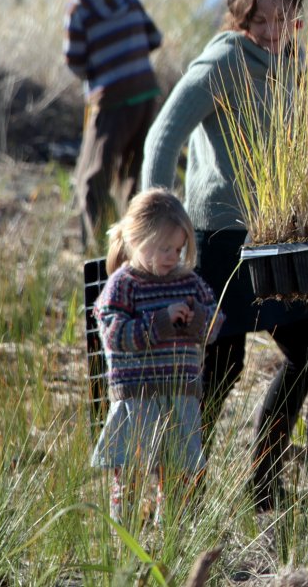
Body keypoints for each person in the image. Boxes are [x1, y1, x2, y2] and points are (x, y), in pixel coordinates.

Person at [141, 0, 308, 511]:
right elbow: (162, 138)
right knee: (222, 366)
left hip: (274, 235)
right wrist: (156, 226)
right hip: (223, 237)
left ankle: (263, 482)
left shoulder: (290, 62)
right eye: (261, 18)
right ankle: (179, 492)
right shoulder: (224, 59)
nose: (272, 30)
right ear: (242, 13)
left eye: (284, 17)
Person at [90, 188, 221, 524]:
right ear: (137, 239)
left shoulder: (189, 282)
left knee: (177, 472)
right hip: (138, 398)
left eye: (178, 249)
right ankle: (125, 541)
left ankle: (171, 539)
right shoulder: (123, 285)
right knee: (130, 473)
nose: (172, 257)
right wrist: (161, 321)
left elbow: (214, 323)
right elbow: (114, 335)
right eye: (165, 248)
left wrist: (197, 321)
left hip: (180, 394)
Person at [58, 0, 164, 251]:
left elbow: (74, 61)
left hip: (111, 99)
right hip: (146, 92)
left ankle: (109, 254)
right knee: (134, 176)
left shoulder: (77, 8)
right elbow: (154, 38)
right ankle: (143, 247)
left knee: (91, 180)